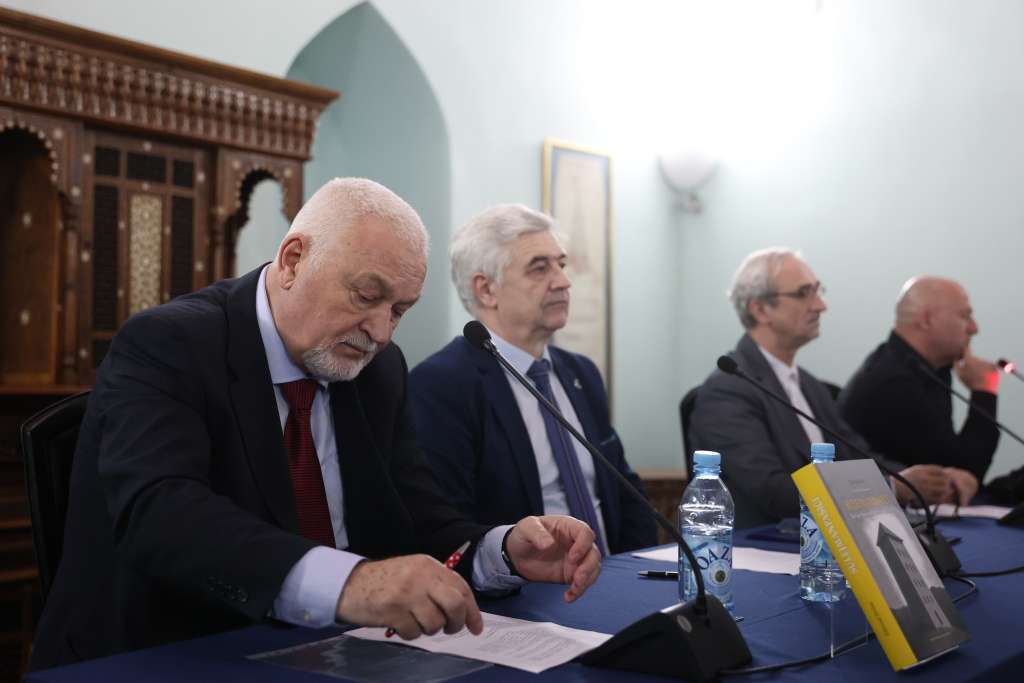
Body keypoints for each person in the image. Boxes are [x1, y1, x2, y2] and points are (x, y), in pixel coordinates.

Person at [30, 180, 601, 670]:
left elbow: (419, 517)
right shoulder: (171, 343)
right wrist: (349, 584)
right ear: (292, 260)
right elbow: (164, 515)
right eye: (366, 296)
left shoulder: (377, 371)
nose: (380, 332)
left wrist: (502, 550)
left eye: (399, 310)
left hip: (333, 656)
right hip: (170, 654)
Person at [409, 204, 655, 555]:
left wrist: (638, 570)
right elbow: (449, 527)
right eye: (540, 268)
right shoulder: (441, 385)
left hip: (613, 572)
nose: (563, 281)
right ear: (486, 290)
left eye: (561, 265)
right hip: (523, 585)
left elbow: (625, 491)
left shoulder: (581, 373)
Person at [688, 248, 969, 529]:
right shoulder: (728, 391)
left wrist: (931, 480)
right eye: (803, 293)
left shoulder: (811, 386)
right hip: (767, 543)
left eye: (818, 291)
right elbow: (774, 491)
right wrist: (892, 488)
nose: (820, 305)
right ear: (760, 310)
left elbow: (859, 458)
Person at [839, 276, 998, 491]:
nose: (974, 327)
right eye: (964, 315)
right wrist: (983, 390)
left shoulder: (928, 368)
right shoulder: (894, 382)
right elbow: (963, 474)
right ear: (926, 319)